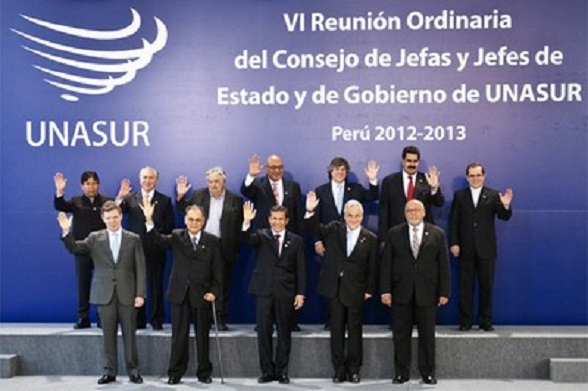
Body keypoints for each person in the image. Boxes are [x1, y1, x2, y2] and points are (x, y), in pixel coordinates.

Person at [57, 201, 146, 385]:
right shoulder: (95, 238)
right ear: (103, 219)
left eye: (115, 217)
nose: (112, 221)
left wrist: (140, 294)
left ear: (120, 216)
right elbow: (75, 248)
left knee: (130, 335)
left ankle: (134, 372)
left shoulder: (133, 238)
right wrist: (67, 232)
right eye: (108, 218)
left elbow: (140, 268)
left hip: (128, 294)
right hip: (104, 294)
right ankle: (110, 372)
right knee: (107, 336)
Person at [141, 202, 222, 385]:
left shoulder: (212, 241)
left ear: (203, 221)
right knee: (179, 336)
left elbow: (218, 270)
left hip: (202, 295)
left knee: (203, 336)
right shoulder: (177, 236)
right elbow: (157, 239)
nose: (194, 223)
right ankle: (175, 373)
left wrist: (214, 291)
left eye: (198, 220)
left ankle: (204, 373)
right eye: (191, 219)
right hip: (179, 294)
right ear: (185, 220)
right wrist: (148, 219)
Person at [305, 193, 377, 384]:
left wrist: (370, 289)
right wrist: (311, 211)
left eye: (357, 216)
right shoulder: (334, 229)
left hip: (356, 290)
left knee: (355, 332)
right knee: (336, 331)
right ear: (344, 216)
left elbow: (373, 268)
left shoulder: (370, 238)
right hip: (334, 289)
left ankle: (354, 370)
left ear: (362, 217)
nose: (353, 219)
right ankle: (338, 370)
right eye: (350, 215)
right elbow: (315, 229)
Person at [380, 199, 451, 385]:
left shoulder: (437, 233)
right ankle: (401, 373)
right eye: (409, 210)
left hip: (427, 292)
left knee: (427, 335)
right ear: (405, 213)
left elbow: (444, 265)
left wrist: (444, 291)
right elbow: (386, 264)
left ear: (424, 212)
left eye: (416, 210)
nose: (413, 213)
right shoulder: (394, 233)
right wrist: (385, 290)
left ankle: (428, 372)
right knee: (400, 335)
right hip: (400, 292)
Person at [242, 202, 306, 384]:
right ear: (269, 220)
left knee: (284, 332)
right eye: (274, 219)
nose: (277, 222)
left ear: (286, 221)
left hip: (286, 292)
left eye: (280, 219)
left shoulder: (296, 241)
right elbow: (245, 239)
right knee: (263, 332)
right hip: (263, 290)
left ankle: (282, 371)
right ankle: (267, 371)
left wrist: (300, 294)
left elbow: (301, 269)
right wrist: (246, 222)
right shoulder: (261, 236)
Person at [313, 157, 379, 329]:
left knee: (350, 281)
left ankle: (350, 320)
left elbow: (372, 196)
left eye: (343, 169)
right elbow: (316, 220)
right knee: (330, 281)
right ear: (330, 171)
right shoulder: (321, 191)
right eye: (336, 169)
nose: (340, 172)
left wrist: (372, 180)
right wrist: (317, 240)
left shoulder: (355, 189)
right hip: (329, 245)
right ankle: (331, 320)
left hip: (352, 245)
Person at [241, 154, 304, 331]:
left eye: (279, 167)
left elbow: (297, 215)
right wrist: (251, 175)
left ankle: (289, 321)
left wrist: (299, 240)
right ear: (266, 168)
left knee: (289, 281)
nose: (276, 171)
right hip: (264, 242)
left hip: (289, 242)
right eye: (273, 167)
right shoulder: (258, 185)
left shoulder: (293, 186)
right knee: (266, 281)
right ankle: (264, 322)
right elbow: (245, 191)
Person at [176, 167, 243, 330]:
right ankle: (201, 319)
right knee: (201, 281)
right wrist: (180, 197)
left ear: (223, 182)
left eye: (217, 181)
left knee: (222, 282)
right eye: (210, 182)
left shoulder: (235, 200)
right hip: (203, 245)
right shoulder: (199, 195)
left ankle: (220, 319)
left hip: (224, 246)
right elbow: (184, 212)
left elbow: (240, 225)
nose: (213, 185)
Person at [449, 163, 513, 332]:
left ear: (483, 176)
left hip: (487, 249)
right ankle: (465, 322)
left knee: (486, 286)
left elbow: (504, 217)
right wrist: (454, 243)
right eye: (472, 175)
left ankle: (485, 321)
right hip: (466, 249)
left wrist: (505, 205)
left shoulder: (493, 195)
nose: (475, 178)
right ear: (467, 177)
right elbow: (454, 221)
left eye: (478, 175)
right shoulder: (460, 195)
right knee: (465, 287)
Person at [116, 166, 175, 330]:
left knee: (156, 285)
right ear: (139, 179)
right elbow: (116, 214)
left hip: (156, 249)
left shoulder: (164, 200)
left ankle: (156, 320)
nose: (147, 181)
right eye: (144, 177)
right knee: (135, 286)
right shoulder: (129, 199)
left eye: (150, 177)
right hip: (134, 250)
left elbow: (169, 226)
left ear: (156, 180)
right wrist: (120, 198)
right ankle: (138, 321)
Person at [53, 171, 111, 329]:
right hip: (81, 248)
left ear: (98, 184)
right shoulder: (76, 201)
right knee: (83, 283)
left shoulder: (106, 201)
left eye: (94, 183)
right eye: (87, 183)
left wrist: (119, 198)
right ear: (82, 186)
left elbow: (116, 214)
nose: (91, 187)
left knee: (102, 284)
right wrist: (60, 192)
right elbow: (60, 206)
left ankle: (102, 318)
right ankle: (83, 318)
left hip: (101, 250)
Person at [378, 146, 444, 243]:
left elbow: (439, 203)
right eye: (409, 161)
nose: (412, 164)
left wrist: (434, 188)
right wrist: (383, 239)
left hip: (423, 235)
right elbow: (384, 212)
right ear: (403, 161)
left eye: (415, 161)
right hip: (396, 234)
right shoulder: (389, 181)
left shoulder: (427, 179)